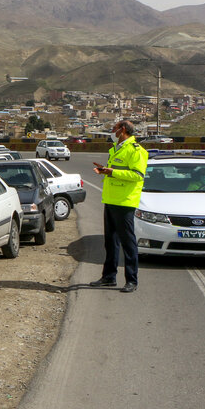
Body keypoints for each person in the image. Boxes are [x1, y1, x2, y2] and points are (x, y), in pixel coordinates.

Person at [90, 119, 149, 293]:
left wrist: (112, 172)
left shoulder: (136, 151)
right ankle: (109, 276)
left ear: (122, 130)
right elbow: (115, 171)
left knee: (128, 243)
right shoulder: (116, 149)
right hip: (111, 200)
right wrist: (105, 171)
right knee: (110, 242)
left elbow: (137, 175)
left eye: (114, 128)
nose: (112, 131)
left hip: (125, 201)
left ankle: (131, 280)